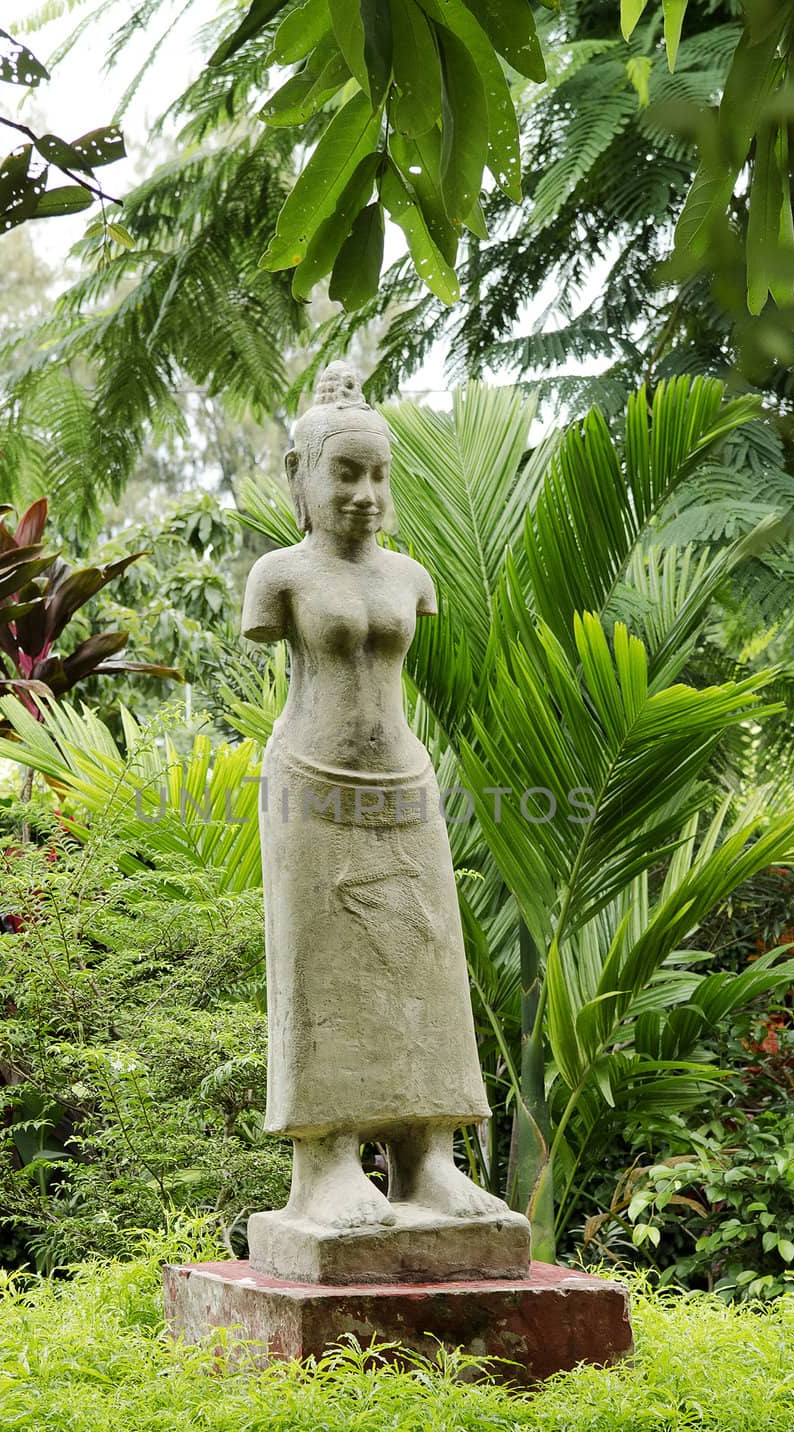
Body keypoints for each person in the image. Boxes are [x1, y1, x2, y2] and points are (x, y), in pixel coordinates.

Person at [242, 362, 506, 1231]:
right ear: (301, 476)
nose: (362, 493)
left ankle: (428, 1157)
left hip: (405, 787)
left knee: (423, 964)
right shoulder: (280, 575)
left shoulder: (410, 577)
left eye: (376, 475)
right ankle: (326, 1164)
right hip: (312, 787)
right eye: (343, 472)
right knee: (325, 972)